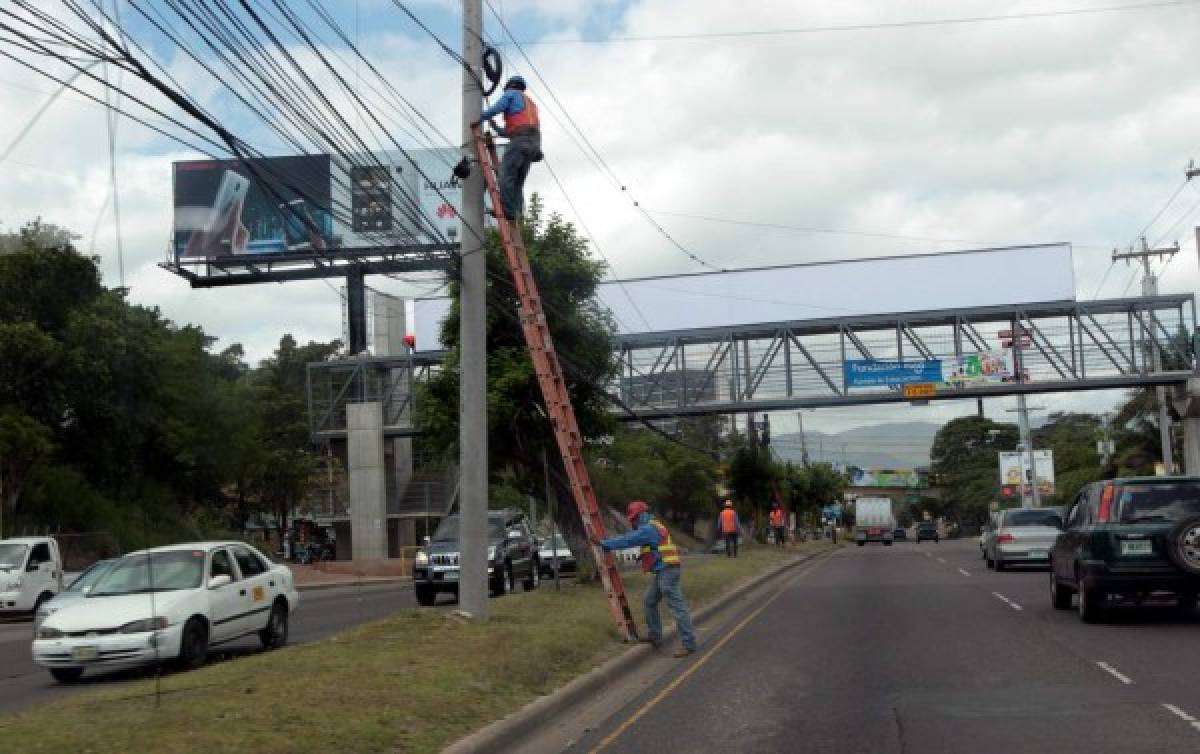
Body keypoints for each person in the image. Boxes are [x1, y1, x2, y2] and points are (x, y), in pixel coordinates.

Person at [599, 501, 697, 658]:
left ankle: (689, 644)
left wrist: (604, 544)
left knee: (678, 608)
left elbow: (628, 540)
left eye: (634, 518)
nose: (633, 521)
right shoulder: (653, 525)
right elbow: (653, 547)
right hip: (664, 570)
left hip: (667, 571)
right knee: (649, 601)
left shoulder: (648, 528)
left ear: (641, 515)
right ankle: (655, 635)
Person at [475, 75, 541, 223]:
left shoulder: (511, 94)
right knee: (518, 181)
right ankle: (517, 212)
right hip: (534, 143)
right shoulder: (531, 103)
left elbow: (498, 108)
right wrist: (496, 128)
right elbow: (515, 128)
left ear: (510, 86)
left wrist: (479, 117)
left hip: (520, 141)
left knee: (505, 176)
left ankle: (509, 211)